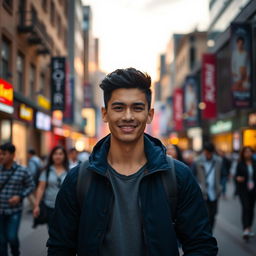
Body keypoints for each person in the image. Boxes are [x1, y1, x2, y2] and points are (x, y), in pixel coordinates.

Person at [47, 68, 218, 255]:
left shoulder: (178, 176)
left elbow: (201, 245)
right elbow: (60, 248)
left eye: (137, 108)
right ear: (105, 114)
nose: (128, 117)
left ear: (150, 114)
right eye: (118, 107)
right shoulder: (78, 179)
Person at [0, 143, 34, 256]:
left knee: (12, 237)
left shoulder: (22, 170)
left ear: (12, 155)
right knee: (1, 241)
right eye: (0, 154)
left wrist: (20, 196)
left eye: (4, 154)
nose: (1, 157)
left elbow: (31, 186)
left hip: (14, 211)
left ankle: (16, 253)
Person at [33, 146, 69, 227]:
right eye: (55, 154)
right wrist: (36, 205)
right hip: (49, 206)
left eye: (60, 154)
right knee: (52, 232)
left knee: (64, 232)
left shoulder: (69, 171)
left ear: (64, 156)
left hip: (65, 208)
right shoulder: (47, 171)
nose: (58, 156)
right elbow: (41, 188)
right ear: (52, 156)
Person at [194, 142, 222, 232]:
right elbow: (193, 174)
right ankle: (206, 233)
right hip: (203, 192)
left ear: (213, 152)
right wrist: (198, 185)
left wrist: (221, 186)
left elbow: (224, 173)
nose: (208, 155)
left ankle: (210, 232)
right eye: (206, 153)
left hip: (214, 192)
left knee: (213, 214)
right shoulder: (198, 161)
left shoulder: (219, 161)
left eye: (210, 153)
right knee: (205, 214)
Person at [235, 146, 256, 240]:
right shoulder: (240, 164)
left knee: (251, 208)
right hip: (243, 190)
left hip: (253, 190)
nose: (248, 153)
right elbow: (236, 176)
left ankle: (249, 227)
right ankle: (245, 228)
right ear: (243, 153)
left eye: (249, 152)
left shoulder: (255, 163)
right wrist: (238, 178)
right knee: (245, 207)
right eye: (246, 152)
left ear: (252, 153)